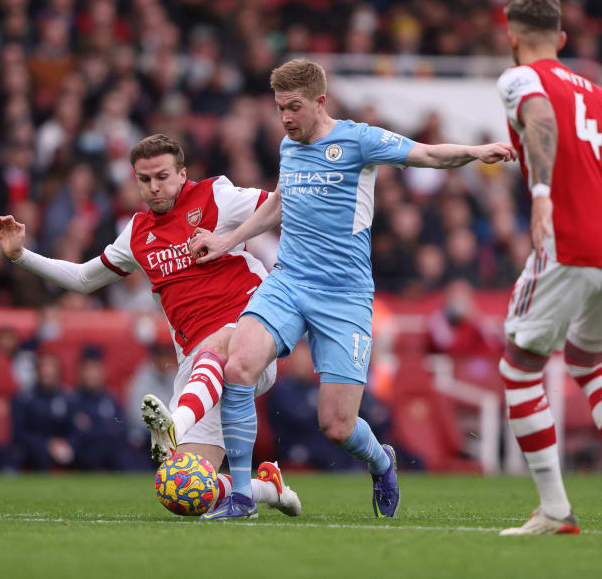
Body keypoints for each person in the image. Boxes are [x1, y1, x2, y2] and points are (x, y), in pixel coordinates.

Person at [190, 57, 516, 519]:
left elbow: (425, 153)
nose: (285, 117)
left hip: (344, 296)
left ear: (320, 102)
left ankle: (382, 462)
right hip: (288, 282)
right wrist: (228, 240)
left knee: (337, 425)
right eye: (280, 107)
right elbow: (281, 203)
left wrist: (476, 150)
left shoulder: (358, 139)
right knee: (238, 367)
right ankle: (242, 498)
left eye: (294, 107)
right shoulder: (289, 146)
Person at [0, 134, 298, 515]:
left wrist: (232, 235)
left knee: (220, 344)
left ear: (182, 174)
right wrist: (21, 255)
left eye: (163, 177)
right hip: (197, 366)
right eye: (144, 180)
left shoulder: (215, 195)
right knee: (183, 491)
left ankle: (176, 425)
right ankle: (263, 489)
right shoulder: (137, 234)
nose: (154, 188)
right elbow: (84, 279)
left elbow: (280, 207)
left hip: (250, 336)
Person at [493, 0, 602, 535]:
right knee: (590, 365)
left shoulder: (519, 78)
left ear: (513, 36)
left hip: (567, 243)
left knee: (519, 366)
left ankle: (556, 510)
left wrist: (541, 192)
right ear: (562, 39)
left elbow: (539, 115)